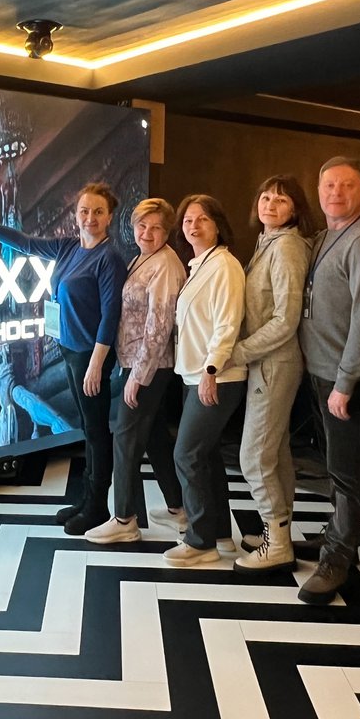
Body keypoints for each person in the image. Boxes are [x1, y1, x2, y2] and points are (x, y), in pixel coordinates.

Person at [0, 183, 128, 535]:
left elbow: (110, 316)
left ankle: (97, 507)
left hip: (90, 356)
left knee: (96, 431)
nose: (90, 218)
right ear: (77, 215)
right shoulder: (69, 248)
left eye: (98, 212)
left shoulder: (109, 259)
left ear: (109, 217)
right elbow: (26, 243)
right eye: (85, 211)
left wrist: (96, 364)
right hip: (72, 350)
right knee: (87, 429)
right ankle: (86, 500)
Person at [296, 157, 360, 603]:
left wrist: (346, 382)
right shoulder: (324, 237)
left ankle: (338, 558)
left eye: (347, 185)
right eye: (329, 185)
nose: (336, 192)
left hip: (344, 379)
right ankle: (336, 534)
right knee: (334, 466)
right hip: (320, 371)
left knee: (348, 472)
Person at [227, 175, 314, 576]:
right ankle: (277, 533)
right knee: (275, 454)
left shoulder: (288, 247)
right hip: (266, 362)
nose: (270, 205)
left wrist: (239, 352)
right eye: (265, 198)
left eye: (281, 200)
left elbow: (285, 319)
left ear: (295, 208)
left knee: (254, 457)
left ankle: (277, 544)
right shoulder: (268, 243)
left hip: (275, 363)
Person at [86, 198, 186, 543]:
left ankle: (124, 519)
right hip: (136, 363)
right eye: (142, 225)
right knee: (154, 437)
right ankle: (178, 509)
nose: (147, 233)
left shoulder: (166, 265)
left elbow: (159, 326)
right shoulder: (143, 258)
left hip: (149, 367)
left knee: (125, 439)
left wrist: (138, 377)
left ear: (167, 232)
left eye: (156, 227)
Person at [163, 194, 247, 567]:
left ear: (217, 225)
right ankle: (220, 534)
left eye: (202, 219)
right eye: (187, 220)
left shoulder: (225, 265)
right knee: (206, 455)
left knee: (186, 454)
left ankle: (200, 542)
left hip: (216, 375)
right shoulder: (199, 265)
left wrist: (211, 370)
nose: (193, 226)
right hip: (194, 373)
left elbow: (228, 324)